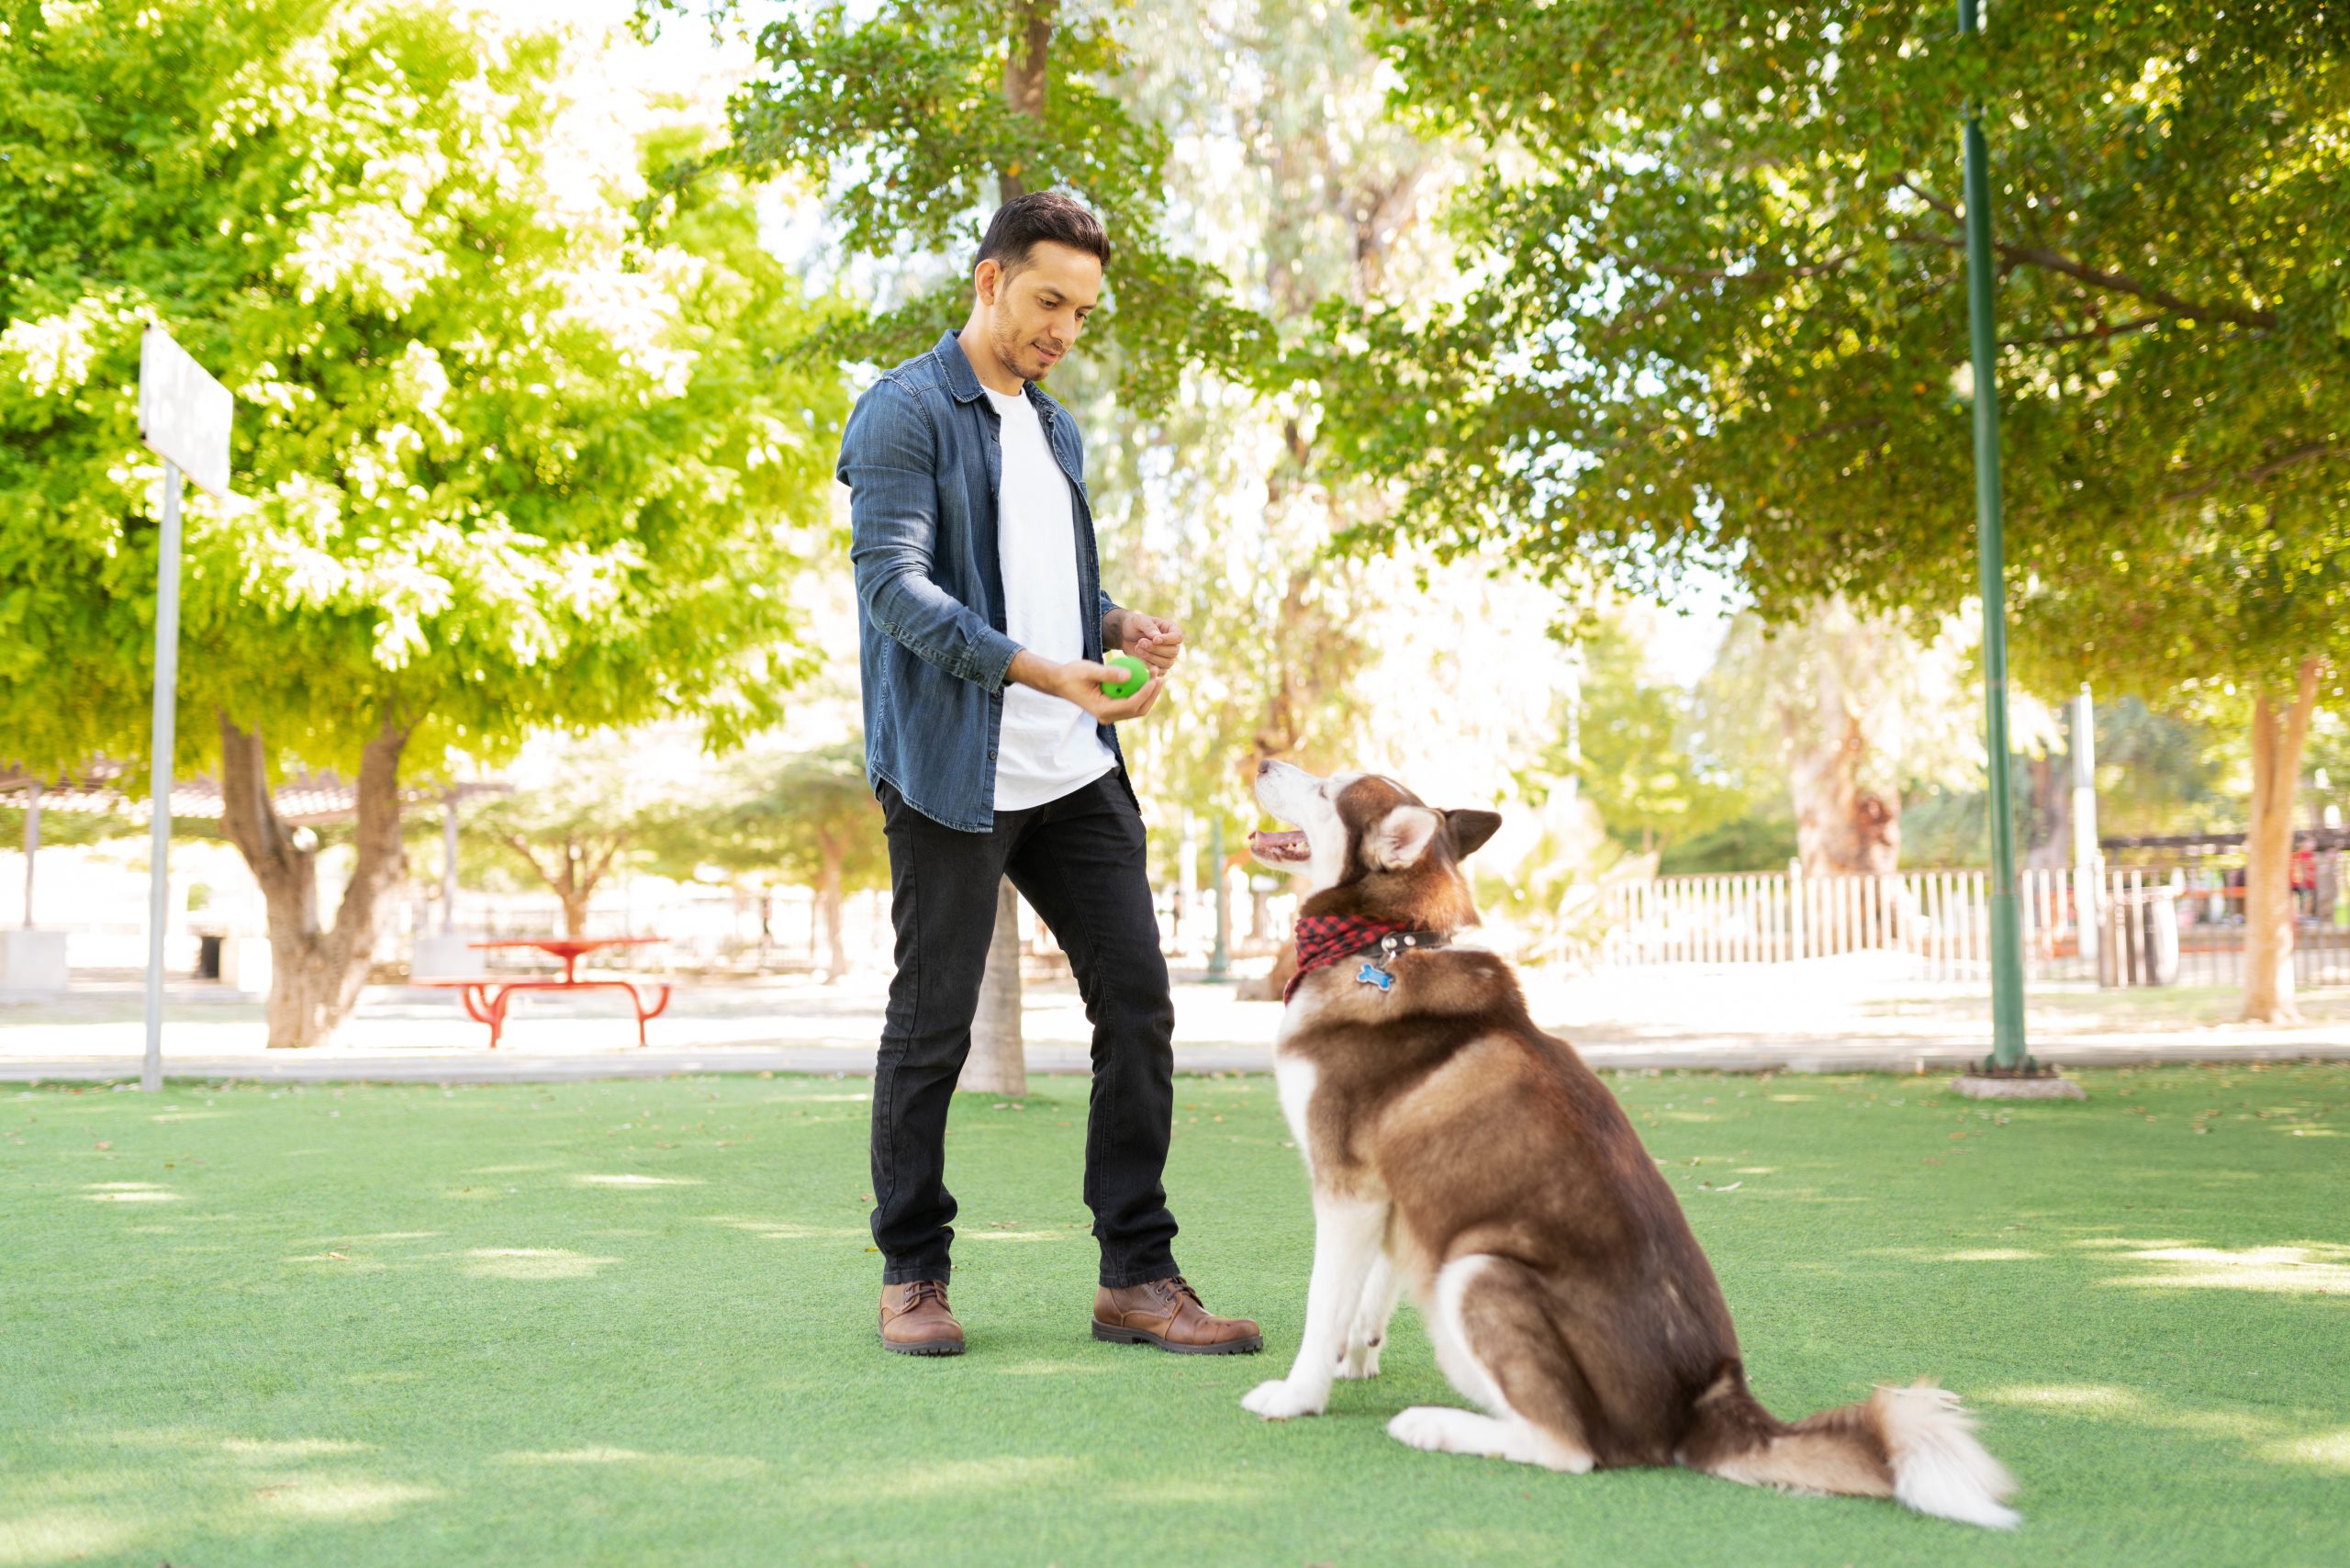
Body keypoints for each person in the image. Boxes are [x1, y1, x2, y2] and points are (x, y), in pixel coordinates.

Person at [836, 189, 1261, 1359]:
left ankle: (1136, 1273)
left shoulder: (1057, 430)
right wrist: (1040, 670)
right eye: (1046, 301)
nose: (1063, 329)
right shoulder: (903, 414)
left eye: (1081, 310)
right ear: (988, 281)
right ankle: (912, 1274)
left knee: (1137, 1004)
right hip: (950, 771)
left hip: (1072, 769)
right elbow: (896, 590)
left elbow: (1057, 597)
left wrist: (1117, 631)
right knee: (930, 1028)